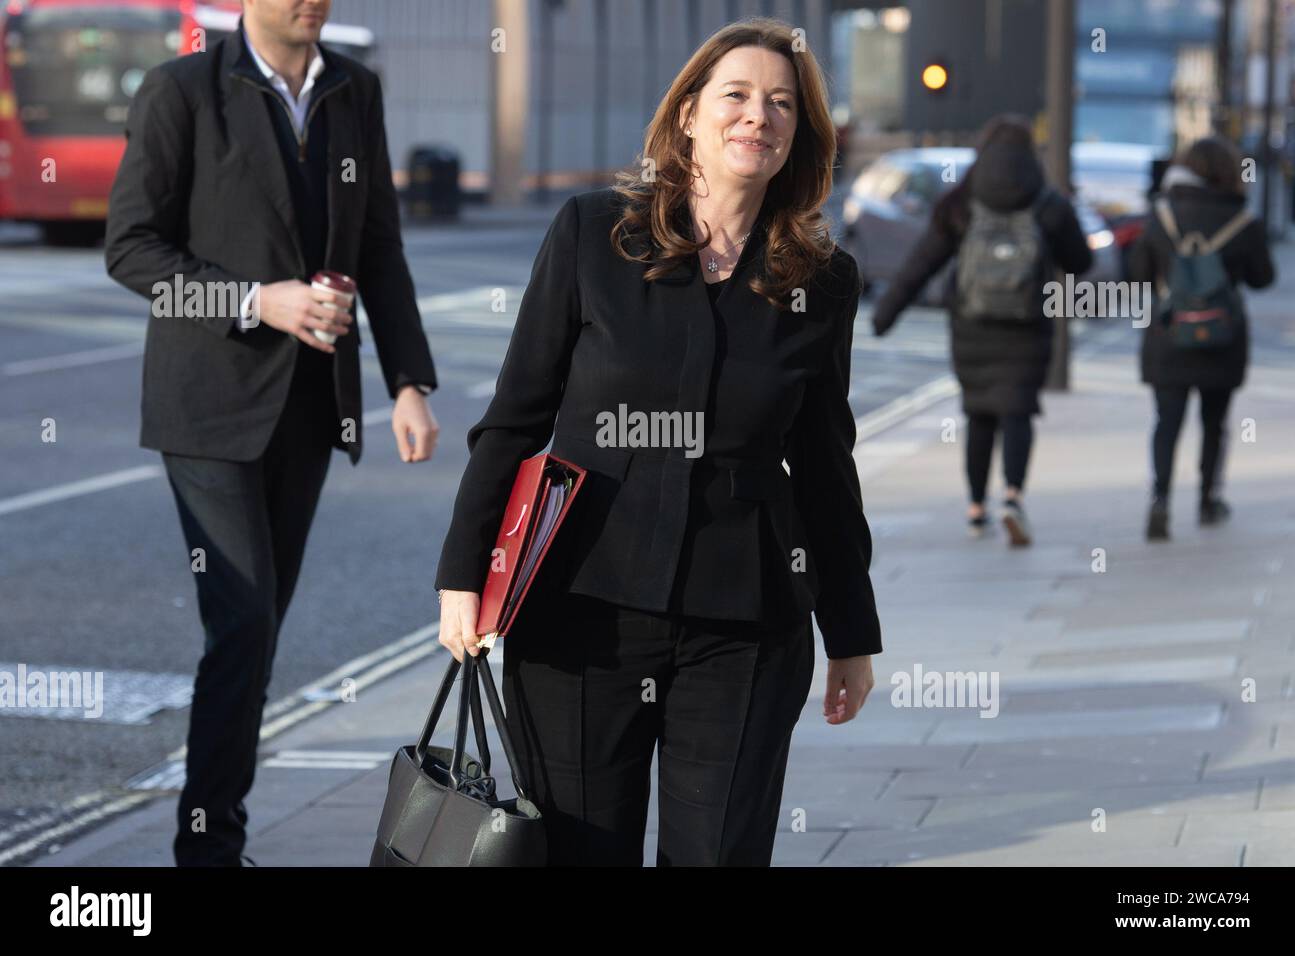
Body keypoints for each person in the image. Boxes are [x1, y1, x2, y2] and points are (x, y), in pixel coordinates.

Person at [433, 18, 882, 866]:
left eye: (782, 104)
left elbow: (825, 463)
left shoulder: (821, 282)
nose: (759, 116)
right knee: (577, 852)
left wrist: (851, 630)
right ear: (688, 117)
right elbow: (516, 416)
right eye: (738, 96)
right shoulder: (594, 234)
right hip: (579, 611)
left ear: (800, 136)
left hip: (745, 624)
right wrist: (465, 574)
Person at [105, 0, 439, 866]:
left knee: (258, 634)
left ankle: (216, 831)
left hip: (311, 403)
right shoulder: (183, 90)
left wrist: (408, 380)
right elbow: (132, 250)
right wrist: (258, 301)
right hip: (206, 407)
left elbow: (380, 247)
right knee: (244, 620)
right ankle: (209, 846)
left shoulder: (354, 91)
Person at [870, 115, 1093, 546]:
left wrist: (886, 314)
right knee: (1018, 411)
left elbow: (923, 261)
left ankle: (975, 509)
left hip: (972, 325)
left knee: (979, 415)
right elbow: (1080, 261)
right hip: (1028, 326)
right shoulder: (1048, 203)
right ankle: (1012, 496)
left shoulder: (961, 202)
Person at [1127, 136, 1274, 540]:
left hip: (1168, 332)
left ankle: (1160, 499)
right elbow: (1264, 279)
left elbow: (1137, 274)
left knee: (1166, 421)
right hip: (1222, 335)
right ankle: (1209, 499)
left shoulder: (1162, 214)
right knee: (1214, 421)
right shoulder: (1243, 220)